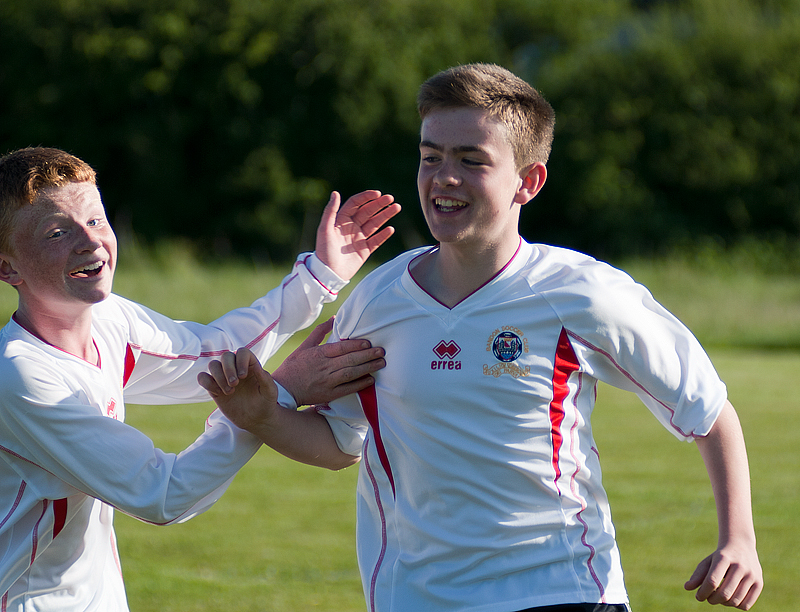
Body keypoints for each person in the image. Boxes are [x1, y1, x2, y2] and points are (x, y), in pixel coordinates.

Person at [200, 64, 763, 612]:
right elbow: (341, 443)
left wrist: (739, 540)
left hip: (560, 590)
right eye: (430, 158)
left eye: (472, 161)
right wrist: (264, 416)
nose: (444, 177)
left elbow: (709, 412)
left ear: (528, 182)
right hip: (414, 597)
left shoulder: (582, 293)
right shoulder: (378, 301)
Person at [0, 146, 400, 611]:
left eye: (95, 221)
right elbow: (164, 495)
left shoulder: (108, 319)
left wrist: (319, 276)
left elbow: (212, 353)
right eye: (55, 232)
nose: (88, 243)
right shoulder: (22, 377)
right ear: (7, 267)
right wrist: (276, 398)